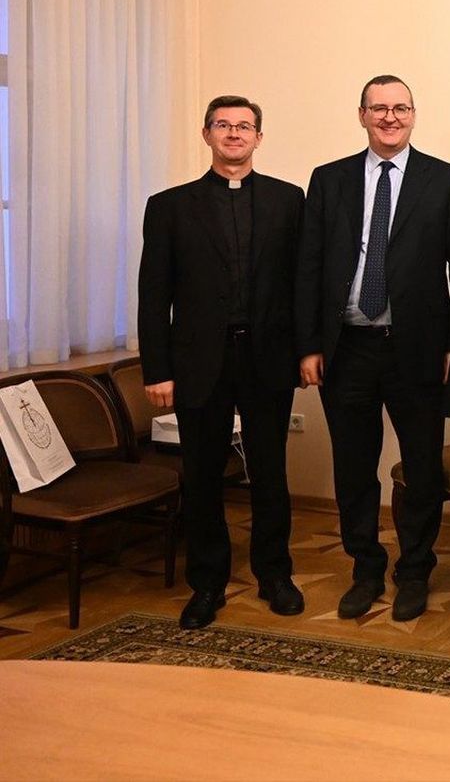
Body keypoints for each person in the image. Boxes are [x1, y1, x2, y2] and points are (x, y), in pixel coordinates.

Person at [295, 75, 450, 623]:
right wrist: (308, 345)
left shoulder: (445, 180)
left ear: (414, 115)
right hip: (347, 347)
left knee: (421, 467)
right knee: (353, 467)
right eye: (379, 108)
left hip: (416, 350)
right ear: (361, 115)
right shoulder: (329, 180)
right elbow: (310, 266)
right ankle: (366, 568)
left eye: (400, 108)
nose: (390, 117)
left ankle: (414, 571)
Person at [138, 95, 305, 630]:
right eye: (223, 125)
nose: (234, 134)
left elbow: (302, 286)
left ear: (259, 137)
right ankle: (207, 583)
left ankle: (275, 575)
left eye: (245, 126)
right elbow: (152, 295)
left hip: (267, 360)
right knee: (203, 474)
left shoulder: (289, 201)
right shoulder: (169, 206)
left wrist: (306, 352)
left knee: (271, 474)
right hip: (198, 363)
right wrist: (156, 370)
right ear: (206, 133)